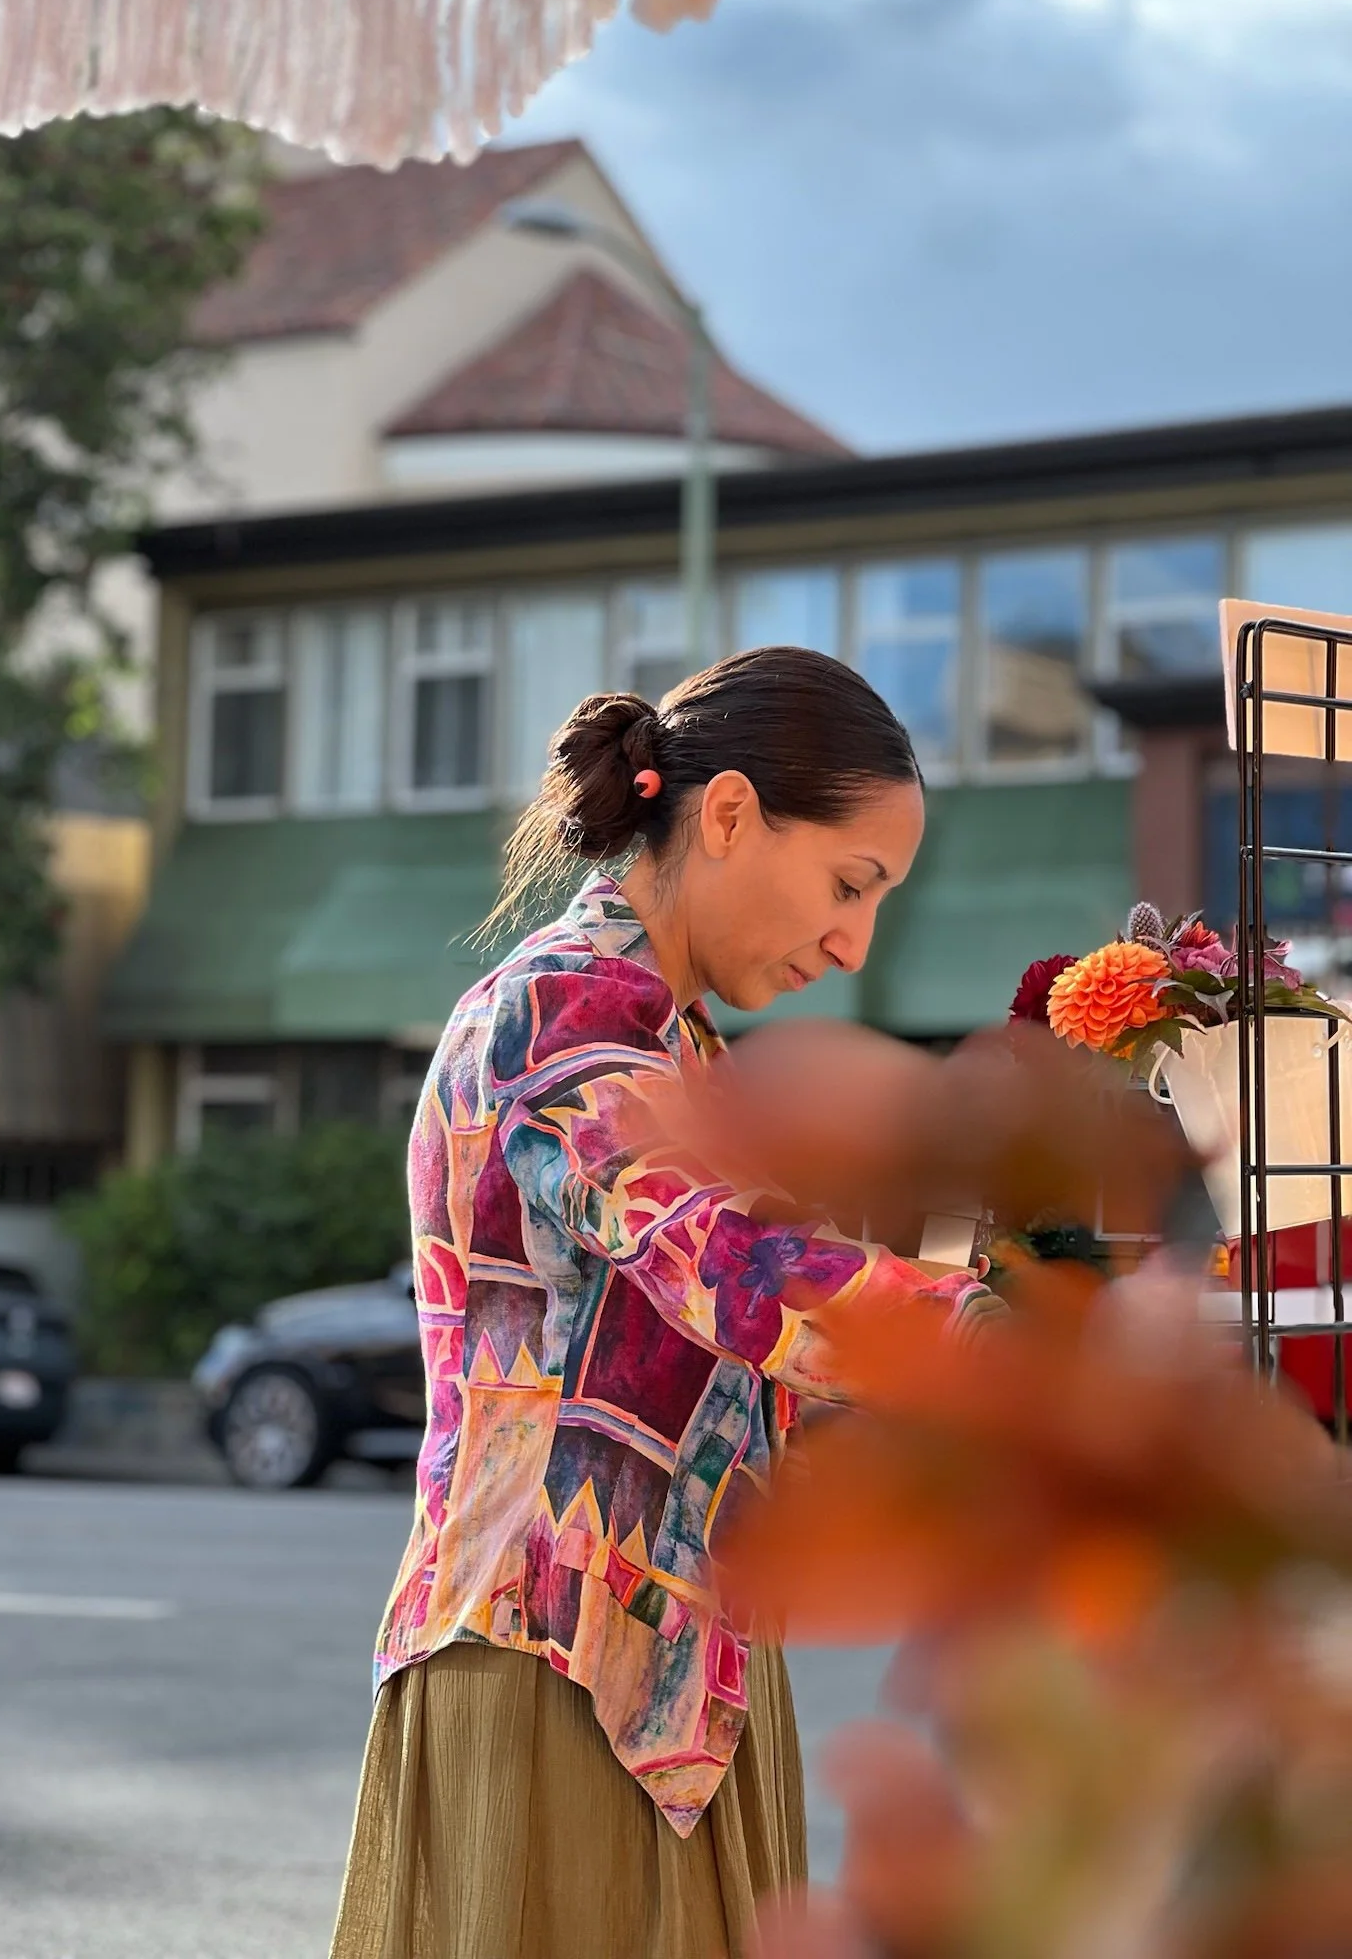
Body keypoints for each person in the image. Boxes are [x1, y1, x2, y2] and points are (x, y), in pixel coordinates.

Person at [329, 646, 998, 1959]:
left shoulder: (679, 1049)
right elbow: (729, 1268)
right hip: (556, 1666)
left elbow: (758, 1386)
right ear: (733, 814)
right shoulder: (562, 1015)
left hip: (675, 1685)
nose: (857, 942)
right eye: (850, 885)